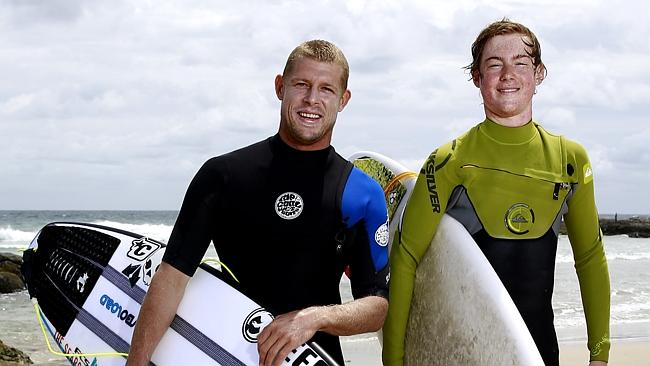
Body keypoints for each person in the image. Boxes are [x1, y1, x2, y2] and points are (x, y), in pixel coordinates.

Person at [126, 40, 390, 366]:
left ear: (343, 100)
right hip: (225, 356)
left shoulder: (361, 192)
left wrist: (314, 317)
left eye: (326, 89)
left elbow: (376, 306)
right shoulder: (223, 176)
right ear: (280, 87)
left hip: (314, 359)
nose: (312, 99)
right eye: (301, 85)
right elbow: (171, 279)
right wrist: (136, 363)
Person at [382, 19, 610, 366]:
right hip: (463, 354)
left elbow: (590, 258)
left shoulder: (570, 160)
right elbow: (405, 257)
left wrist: (599, 354)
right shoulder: (449, 161)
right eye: (494, 64)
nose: (508, 74)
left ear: (539, 74)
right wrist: (393, 360)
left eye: (521, 63)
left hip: (536, 353)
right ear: (477, 78)